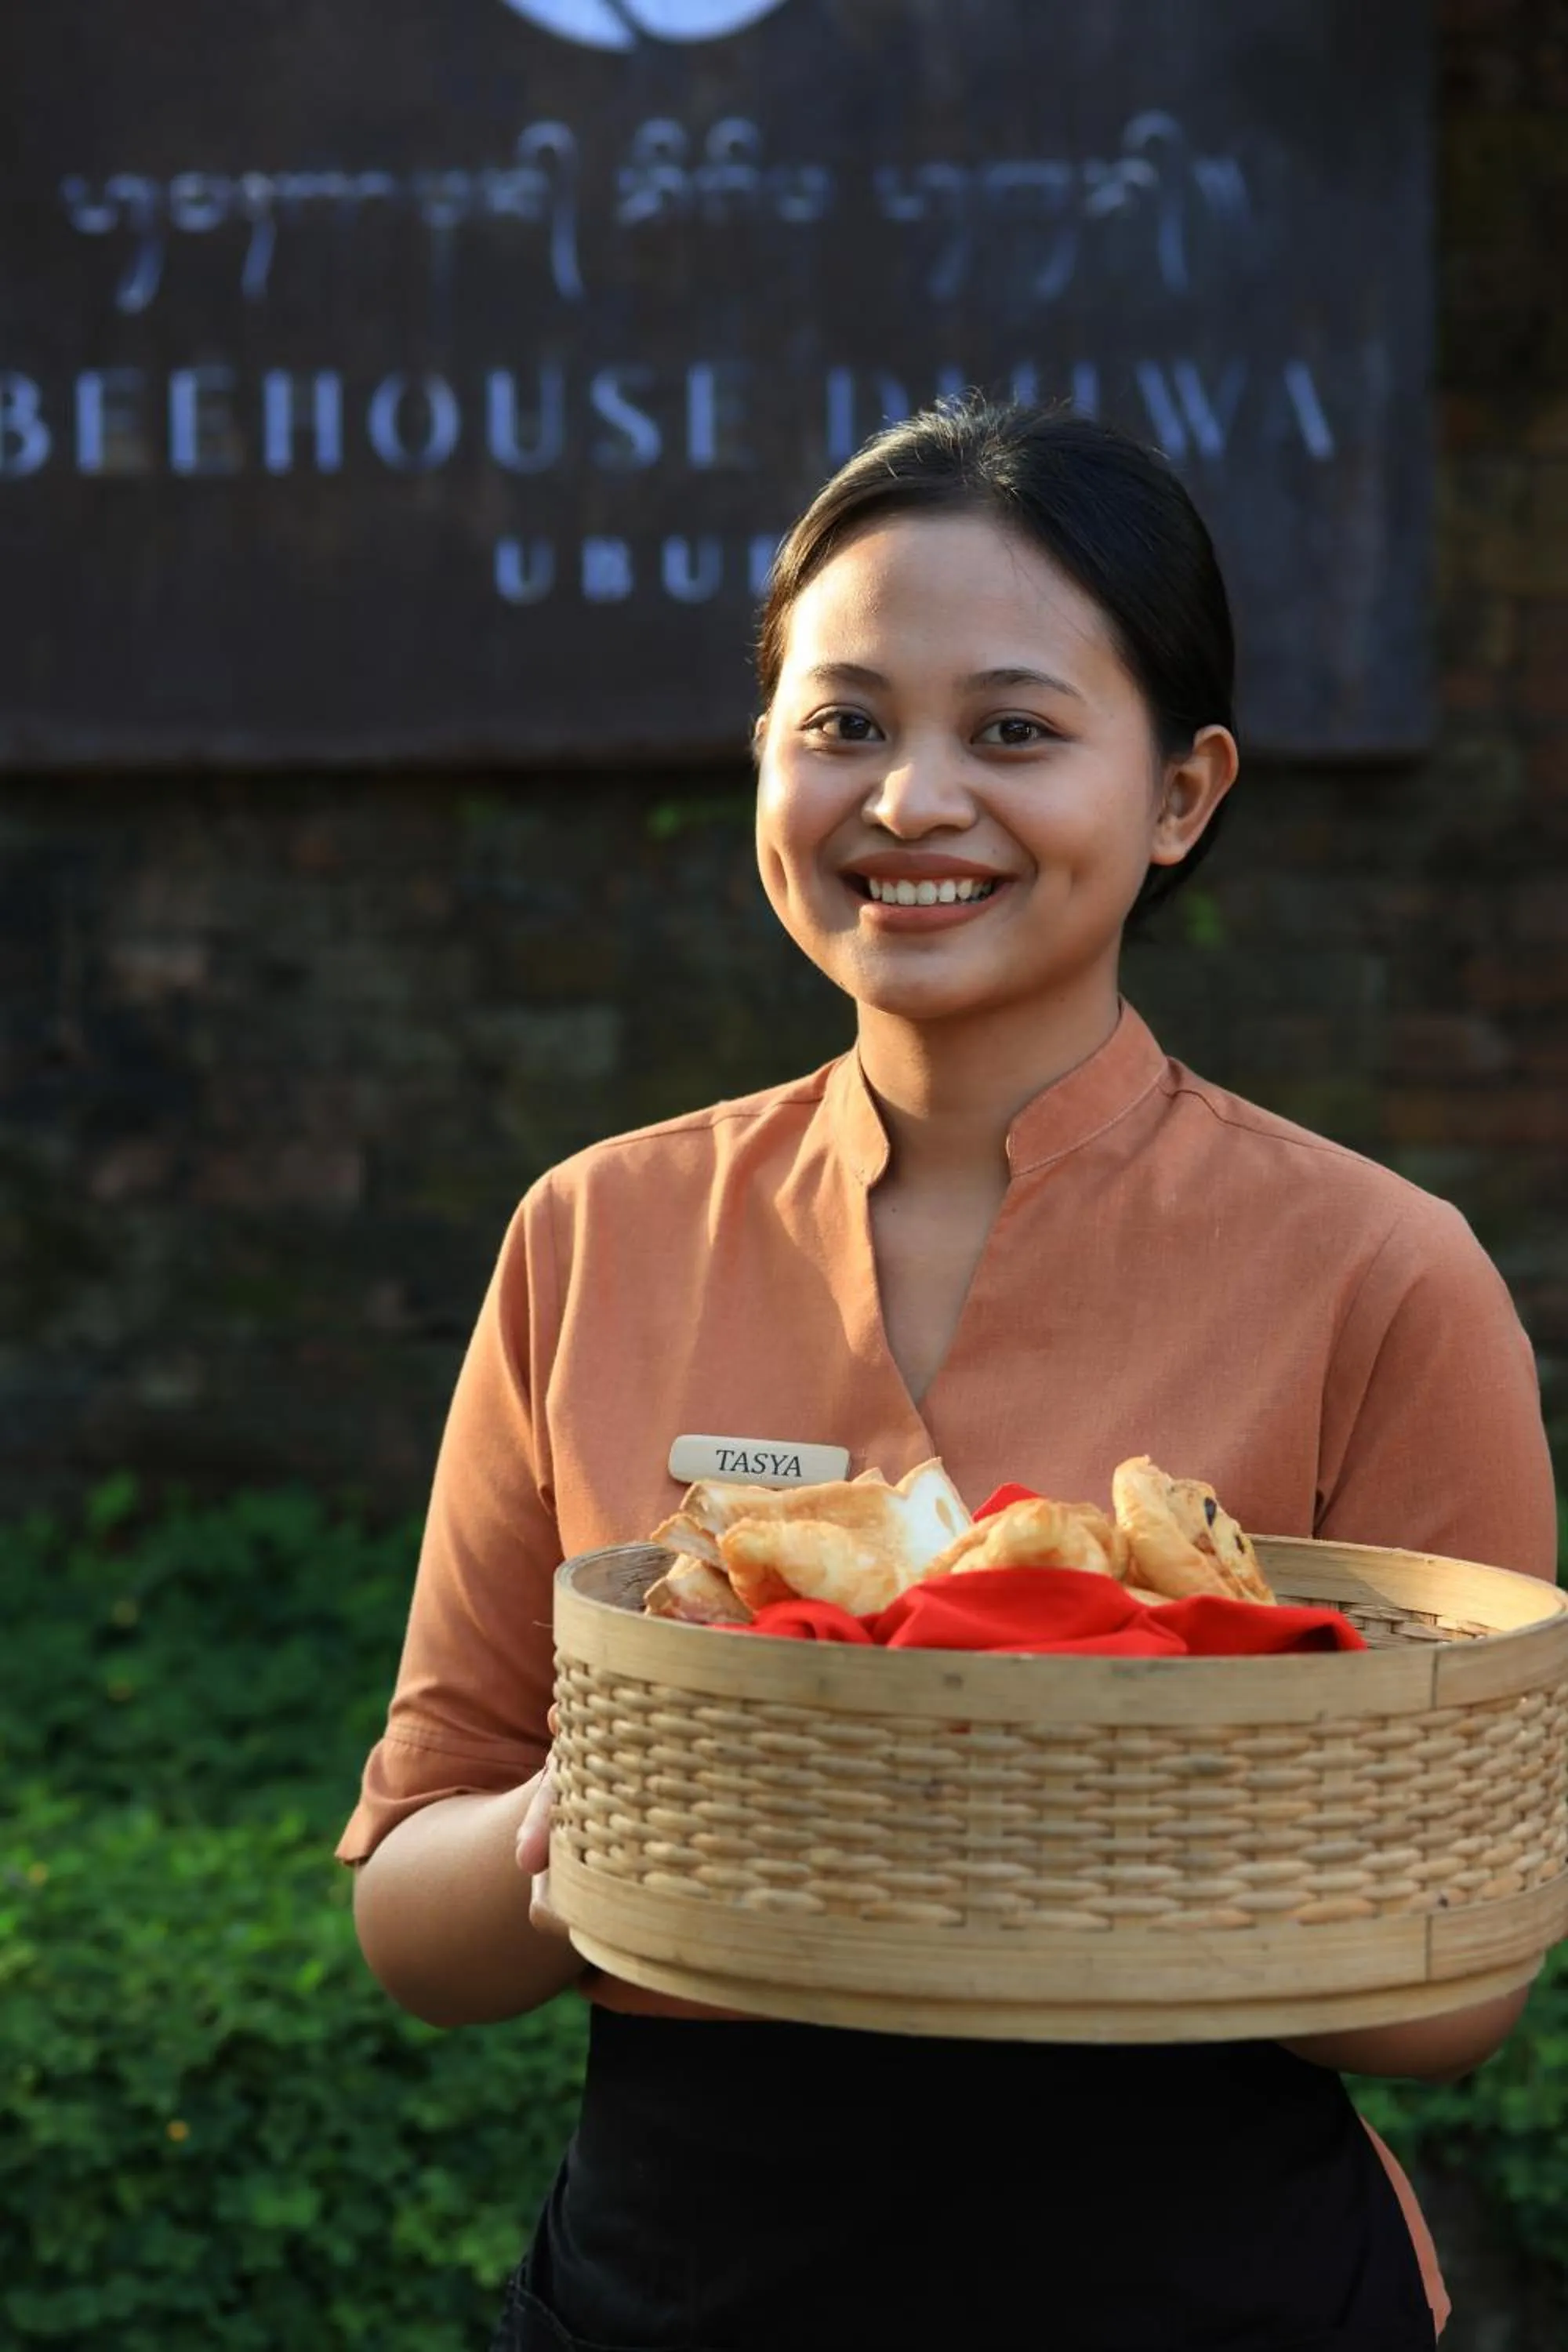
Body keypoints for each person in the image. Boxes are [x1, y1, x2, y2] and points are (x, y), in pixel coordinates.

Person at [339, 398, 1558, 2351]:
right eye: (840, 724)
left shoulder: (1376, 1275)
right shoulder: (595, 1235)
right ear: (762, 761)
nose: (909, 801)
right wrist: (609, 1823)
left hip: (1211, 2292)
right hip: (670, 2293)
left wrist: (1062, 1811)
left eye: (1012, 730)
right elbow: (414, 1901)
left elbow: (1447, 1998)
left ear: (1179, 791)